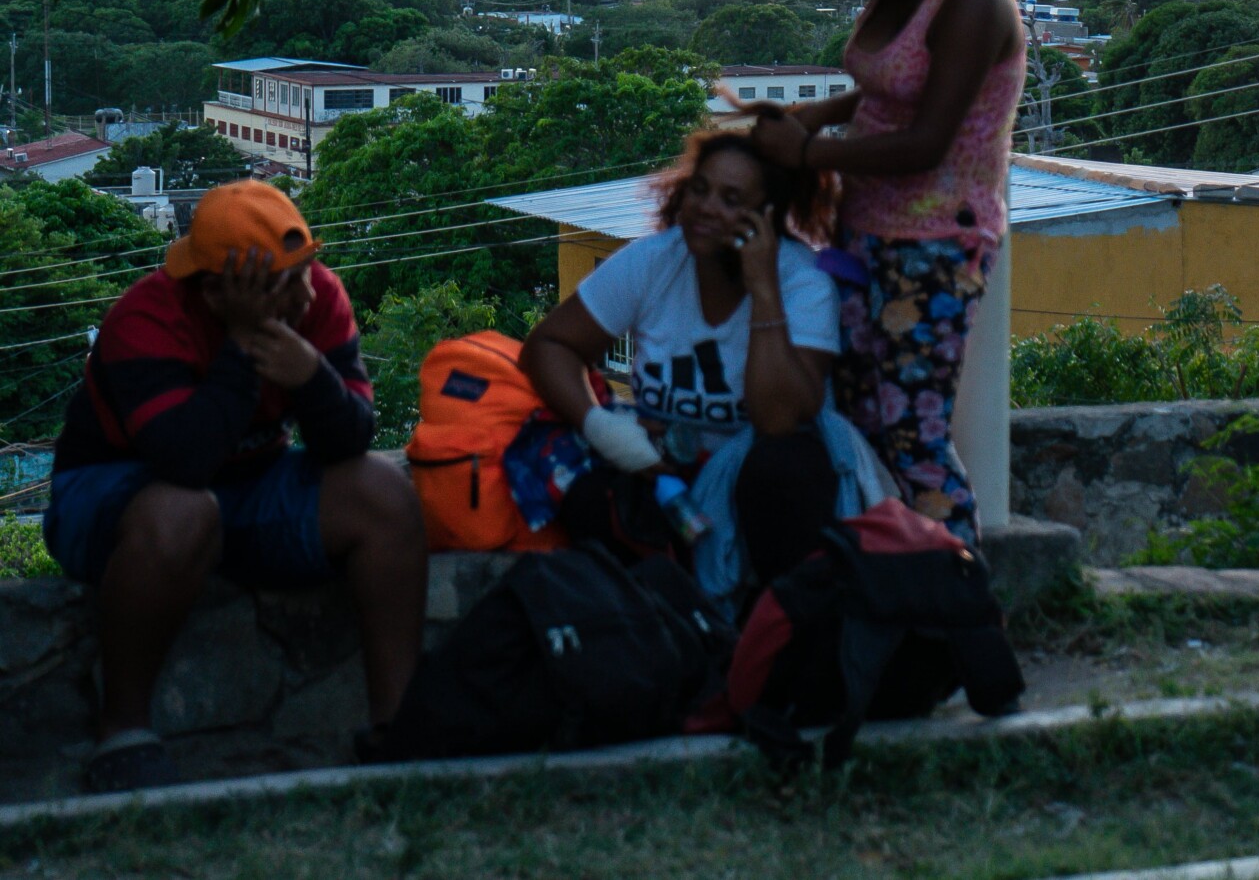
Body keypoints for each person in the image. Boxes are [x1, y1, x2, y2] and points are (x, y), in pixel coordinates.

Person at [43, 179, 425, 793]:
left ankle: (399, 731)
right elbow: (185, 461)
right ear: (218, 291)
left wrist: (312, 377)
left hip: (247, 486)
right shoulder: (147, 318)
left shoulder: (317, 297)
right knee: (183, 513)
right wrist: (244, 348)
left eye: (306, 271)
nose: (306, 292)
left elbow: (349, 440)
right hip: (120, 494)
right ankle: (123, 732)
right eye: (281, 282)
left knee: (384, 495)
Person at [742, 0, 1027, 544]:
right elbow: (893, 89)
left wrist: (808, 151)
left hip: (935, 245)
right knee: (858, 419)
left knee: (912, 435)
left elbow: (928, 141)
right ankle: (885, 571)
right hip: (864, 233)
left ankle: (956, 584)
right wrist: (821, 114)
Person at [517, 130, 843, 588]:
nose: (706, 207)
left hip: (761, 482)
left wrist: (764, 290)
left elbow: (777, 420)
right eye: (699, 189)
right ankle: (652, 620)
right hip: (664, 471)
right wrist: (603, 427)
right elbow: (549, 346)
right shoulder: (654, 260)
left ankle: (774, 623)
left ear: (768, 216)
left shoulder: (803, 282)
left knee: (780, 471)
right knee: (589, 495)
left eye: (731, 200)